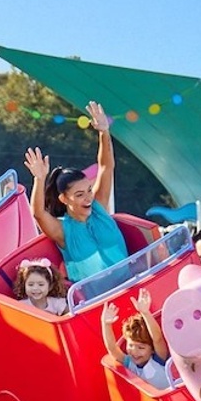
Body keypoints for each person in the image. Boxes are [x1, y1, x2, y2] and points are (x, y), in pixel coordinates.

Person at [25, 101, 125, 283]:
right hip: (97, 303)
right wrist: (39, 179)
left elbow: (106, 167)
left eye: (89, 190)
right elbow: (38, 213)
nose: (88, 198)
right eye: (79, 195)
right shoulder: (63, 231)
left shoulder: (98, 207)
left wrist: (104, 132)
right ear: (64, 199)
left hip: (130, 288)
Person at [102, 288, 170, 389]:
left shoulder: (158, 359)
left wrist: (145, 313)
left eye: (141, 348)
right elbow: (112, 348)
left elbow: (157, 338)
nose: (134, 351)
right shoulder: (130, 363)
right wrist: (106, 324)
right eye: (130, 345)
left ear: (152, 349)